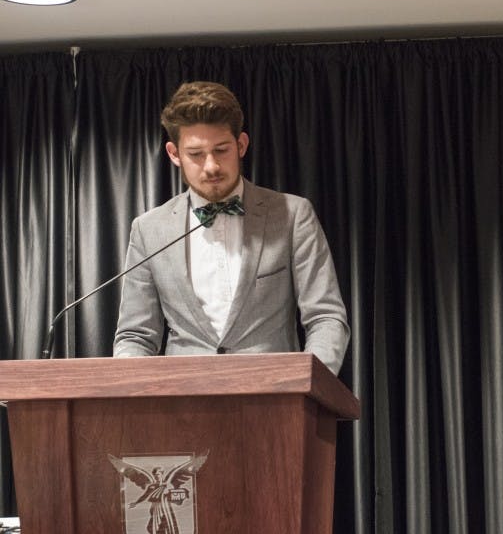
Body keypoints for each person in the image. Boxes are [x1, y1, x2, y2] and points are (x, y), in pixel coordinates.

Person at [114, 81, 350, 375]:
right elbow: (135, 336)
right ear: (174, 154)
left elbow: (326, 317)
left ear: (241, 145)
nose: (211, 166)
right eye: (196, 154)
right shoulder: (149, 230)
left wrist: (309, 386)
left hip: (278, 403)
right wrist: (133, 387)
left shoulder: (293, 215)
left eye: (221, 150)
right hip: (180, 409)